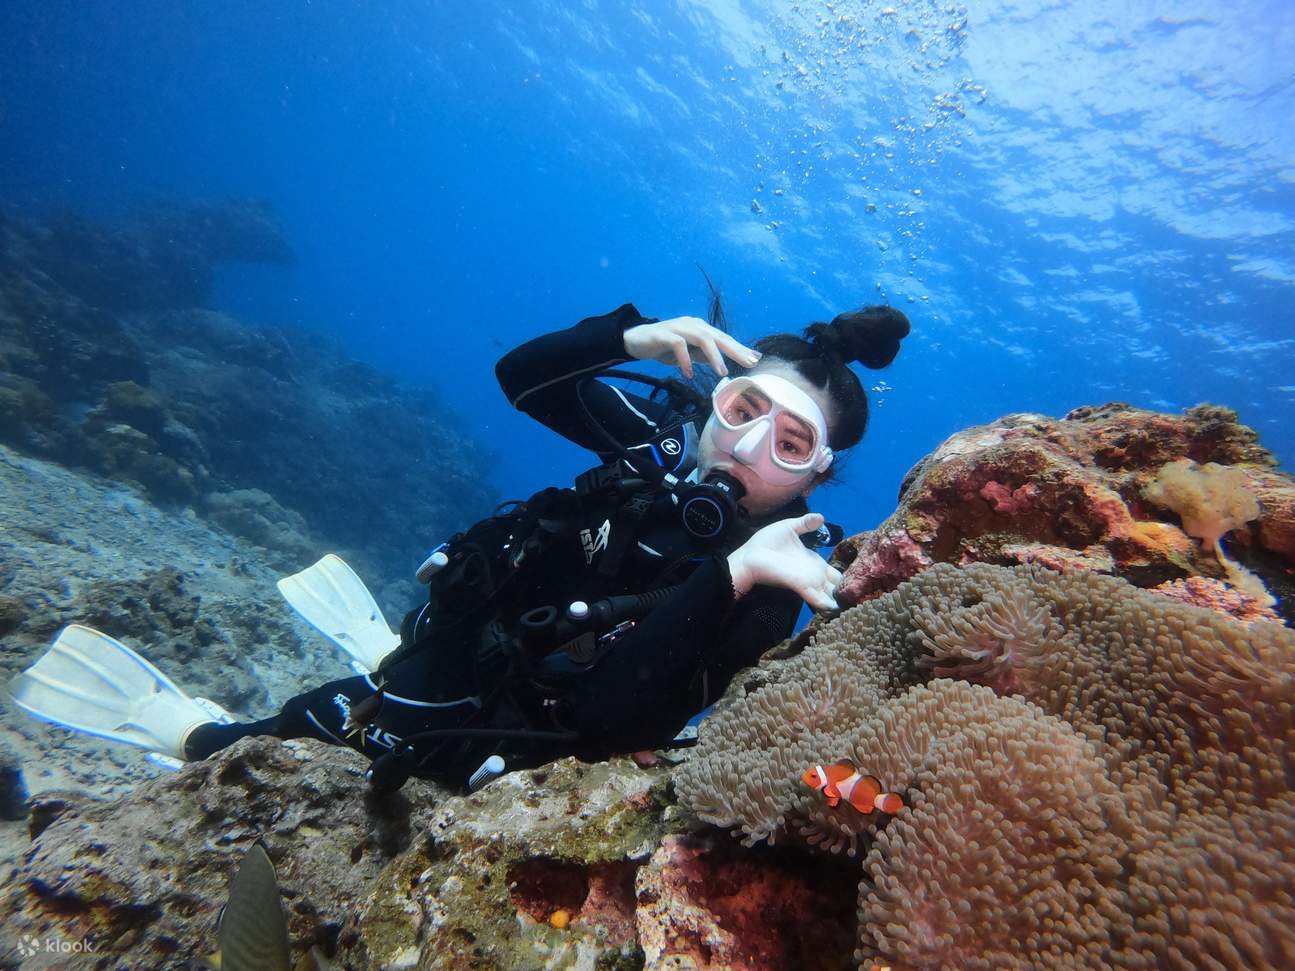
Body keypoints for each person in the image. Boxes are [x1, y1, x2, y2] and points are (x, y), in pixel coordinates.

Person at [10, 300, 910, 792]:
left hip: (518, 741)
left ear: (815, 477)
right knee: (310, 721)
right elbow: (521, 378)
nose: (749, 450)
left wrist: (734, 572)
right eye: (744, 410)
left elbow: (615, 724)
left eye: (791, 444)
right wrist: (623, 336)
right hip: (464, 634)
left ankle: (241, 722)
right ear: (715, 398)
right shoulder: (648, 444)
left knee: (348, 734)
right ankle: (244, 717)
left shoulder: (775, 577)